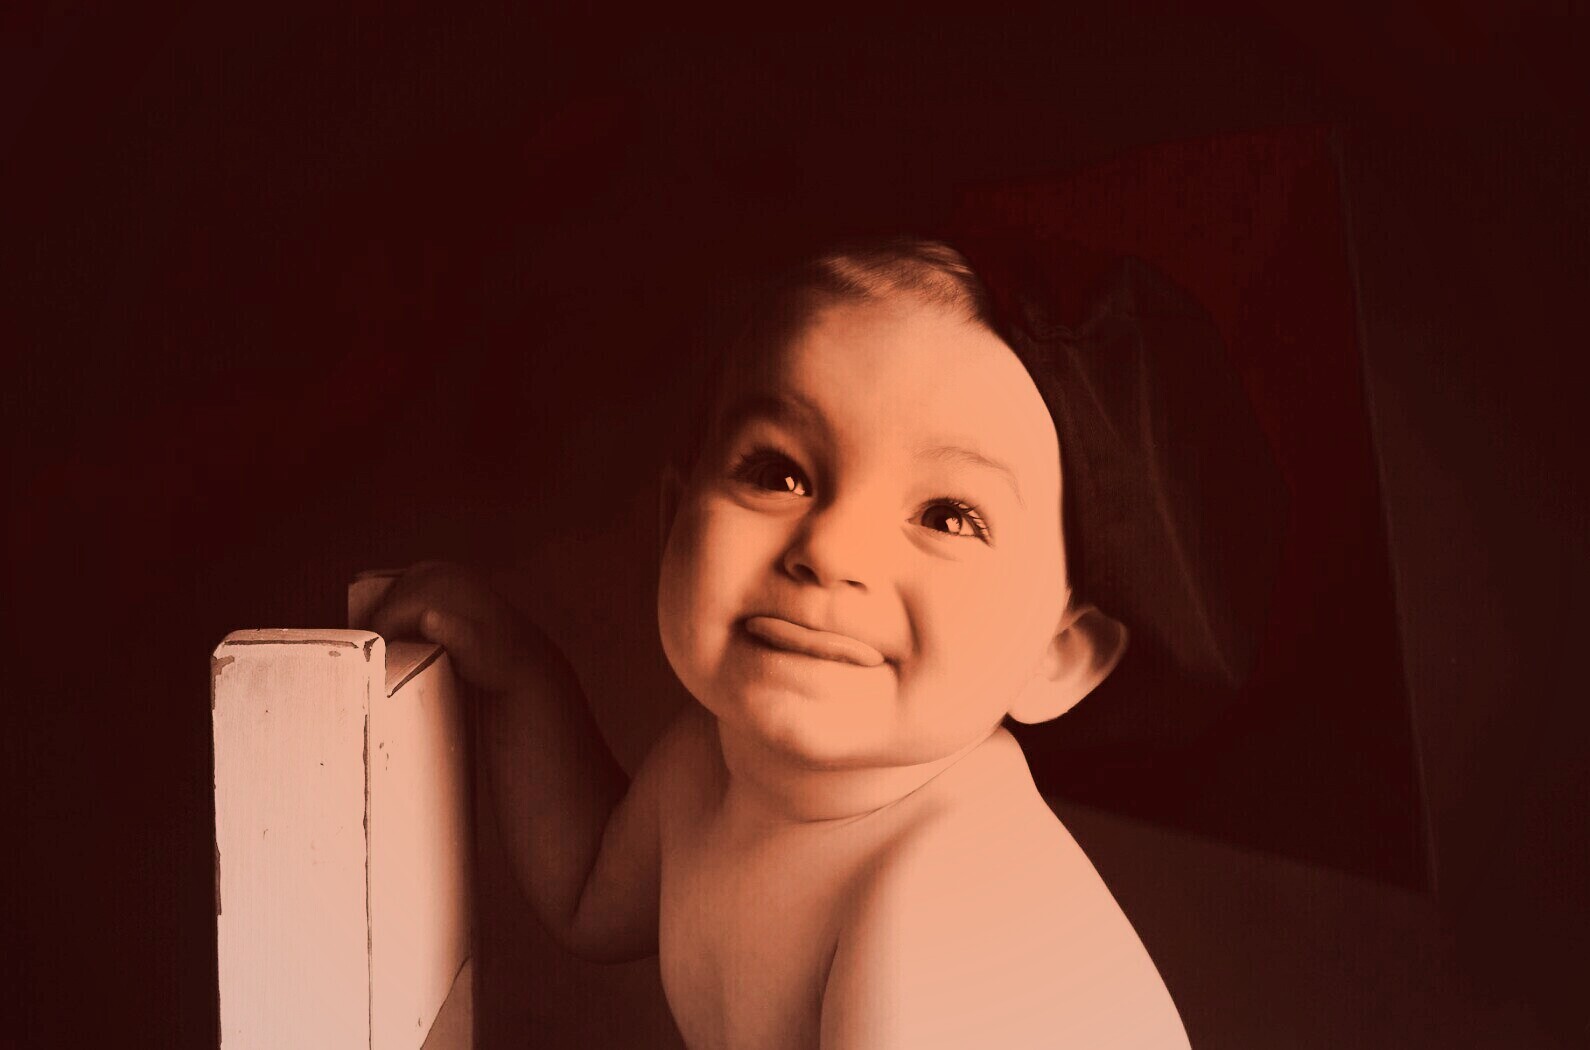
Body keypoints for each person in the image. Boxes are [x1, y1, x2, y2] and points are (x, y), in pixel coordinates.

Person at [370, 238, 1193, 1048]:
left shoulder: (943, 899)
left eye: (946, 518)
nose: (831, 549)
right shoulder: (707, 764)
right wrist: (520, 673)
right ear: (674, 524)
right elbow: (590, 893)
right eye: (778, 474)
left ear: (1059, 656)